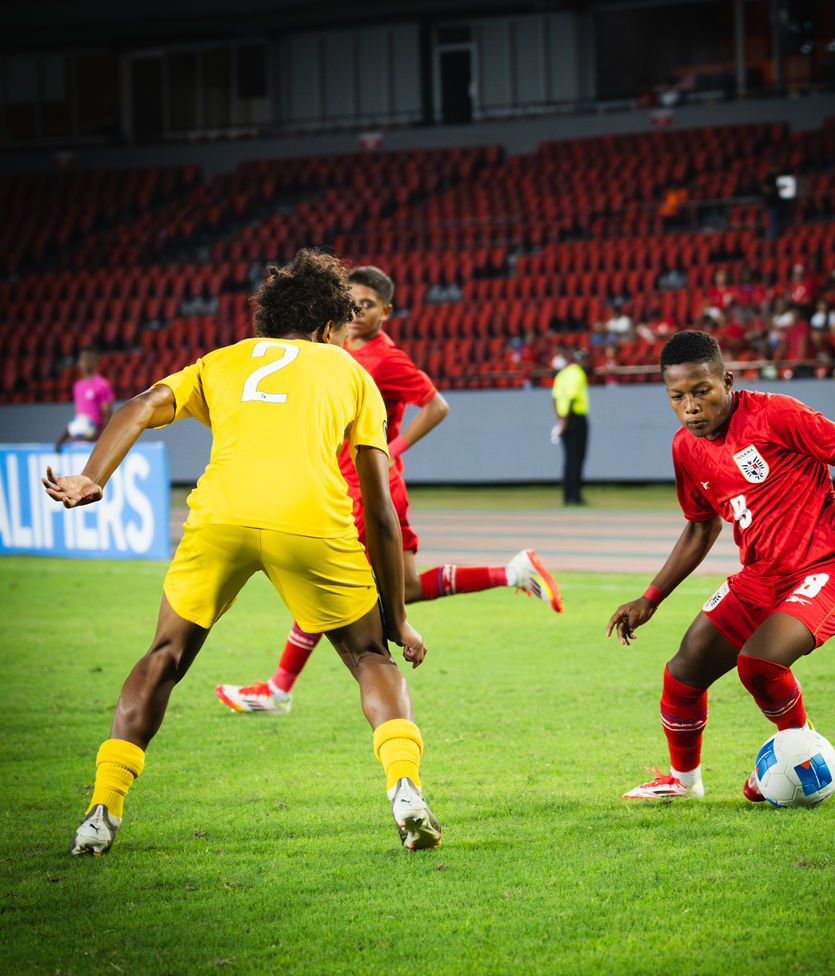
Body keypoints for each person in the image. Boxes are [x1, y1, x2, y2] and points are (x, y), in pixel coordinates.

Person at [45, 249, 443, 855]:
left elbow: (139, 406)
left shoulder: (221, 361)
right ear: (325, 326)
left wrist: (93, 475)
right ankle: (406, 791)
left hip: (221, 518)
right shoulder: (348, 370)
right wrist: (398, 617)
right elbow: (382, 512)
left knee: (164, 656)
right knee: (369, 657)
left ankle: (101, 812)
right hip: (309, 520)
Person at [606, 330, 835, 802]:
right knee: (682, 671)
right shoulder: (686, 448)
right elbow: (700, 530)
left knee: (759, 664)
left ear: (726, 380)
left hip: (827, 569)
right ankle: (683, 784)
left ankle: (804, 756)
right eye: (678, 397)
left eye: (702, 392)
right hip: (760, 577)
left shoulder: (775, 414)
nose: (691, 407)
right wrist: (650, 598)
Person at [215, 265, 561, 715]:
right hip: (352, 481)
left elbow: (436, 405)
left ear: (386, 311)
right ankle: (512, 572)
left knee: (324, 579)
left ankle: (279, 688)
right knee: (406, 586)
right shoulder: (334, 350)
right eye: (351, 303)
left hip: (365, 485)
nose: (357, 312)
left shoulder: (385, 359)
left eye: (368, 305)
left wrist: (392, 448)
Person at [551, 344, 590, 506]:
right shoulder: (577, 373)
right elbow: (573, 398)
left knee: (568, 459)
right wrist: (566, 421)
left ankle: (567, 495)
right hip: (575, 418)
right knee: (577, 459)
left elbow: (554, 398)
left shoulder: (562, 374)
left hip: (563, 418)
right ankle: (575, 496)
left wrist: (560, 421)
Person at [55, 347, 114, 450]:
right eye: (83, 359)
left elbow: (108, 416)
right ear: (79, 362)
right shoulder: (77, 386)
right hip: (79, 443)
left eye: (89, 359)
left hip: (97, 444)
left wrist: (95, 438)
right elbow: (79, 417)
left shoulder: (102, 385)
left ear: (96, 361)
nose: (86, 362)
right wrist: (63, 439)